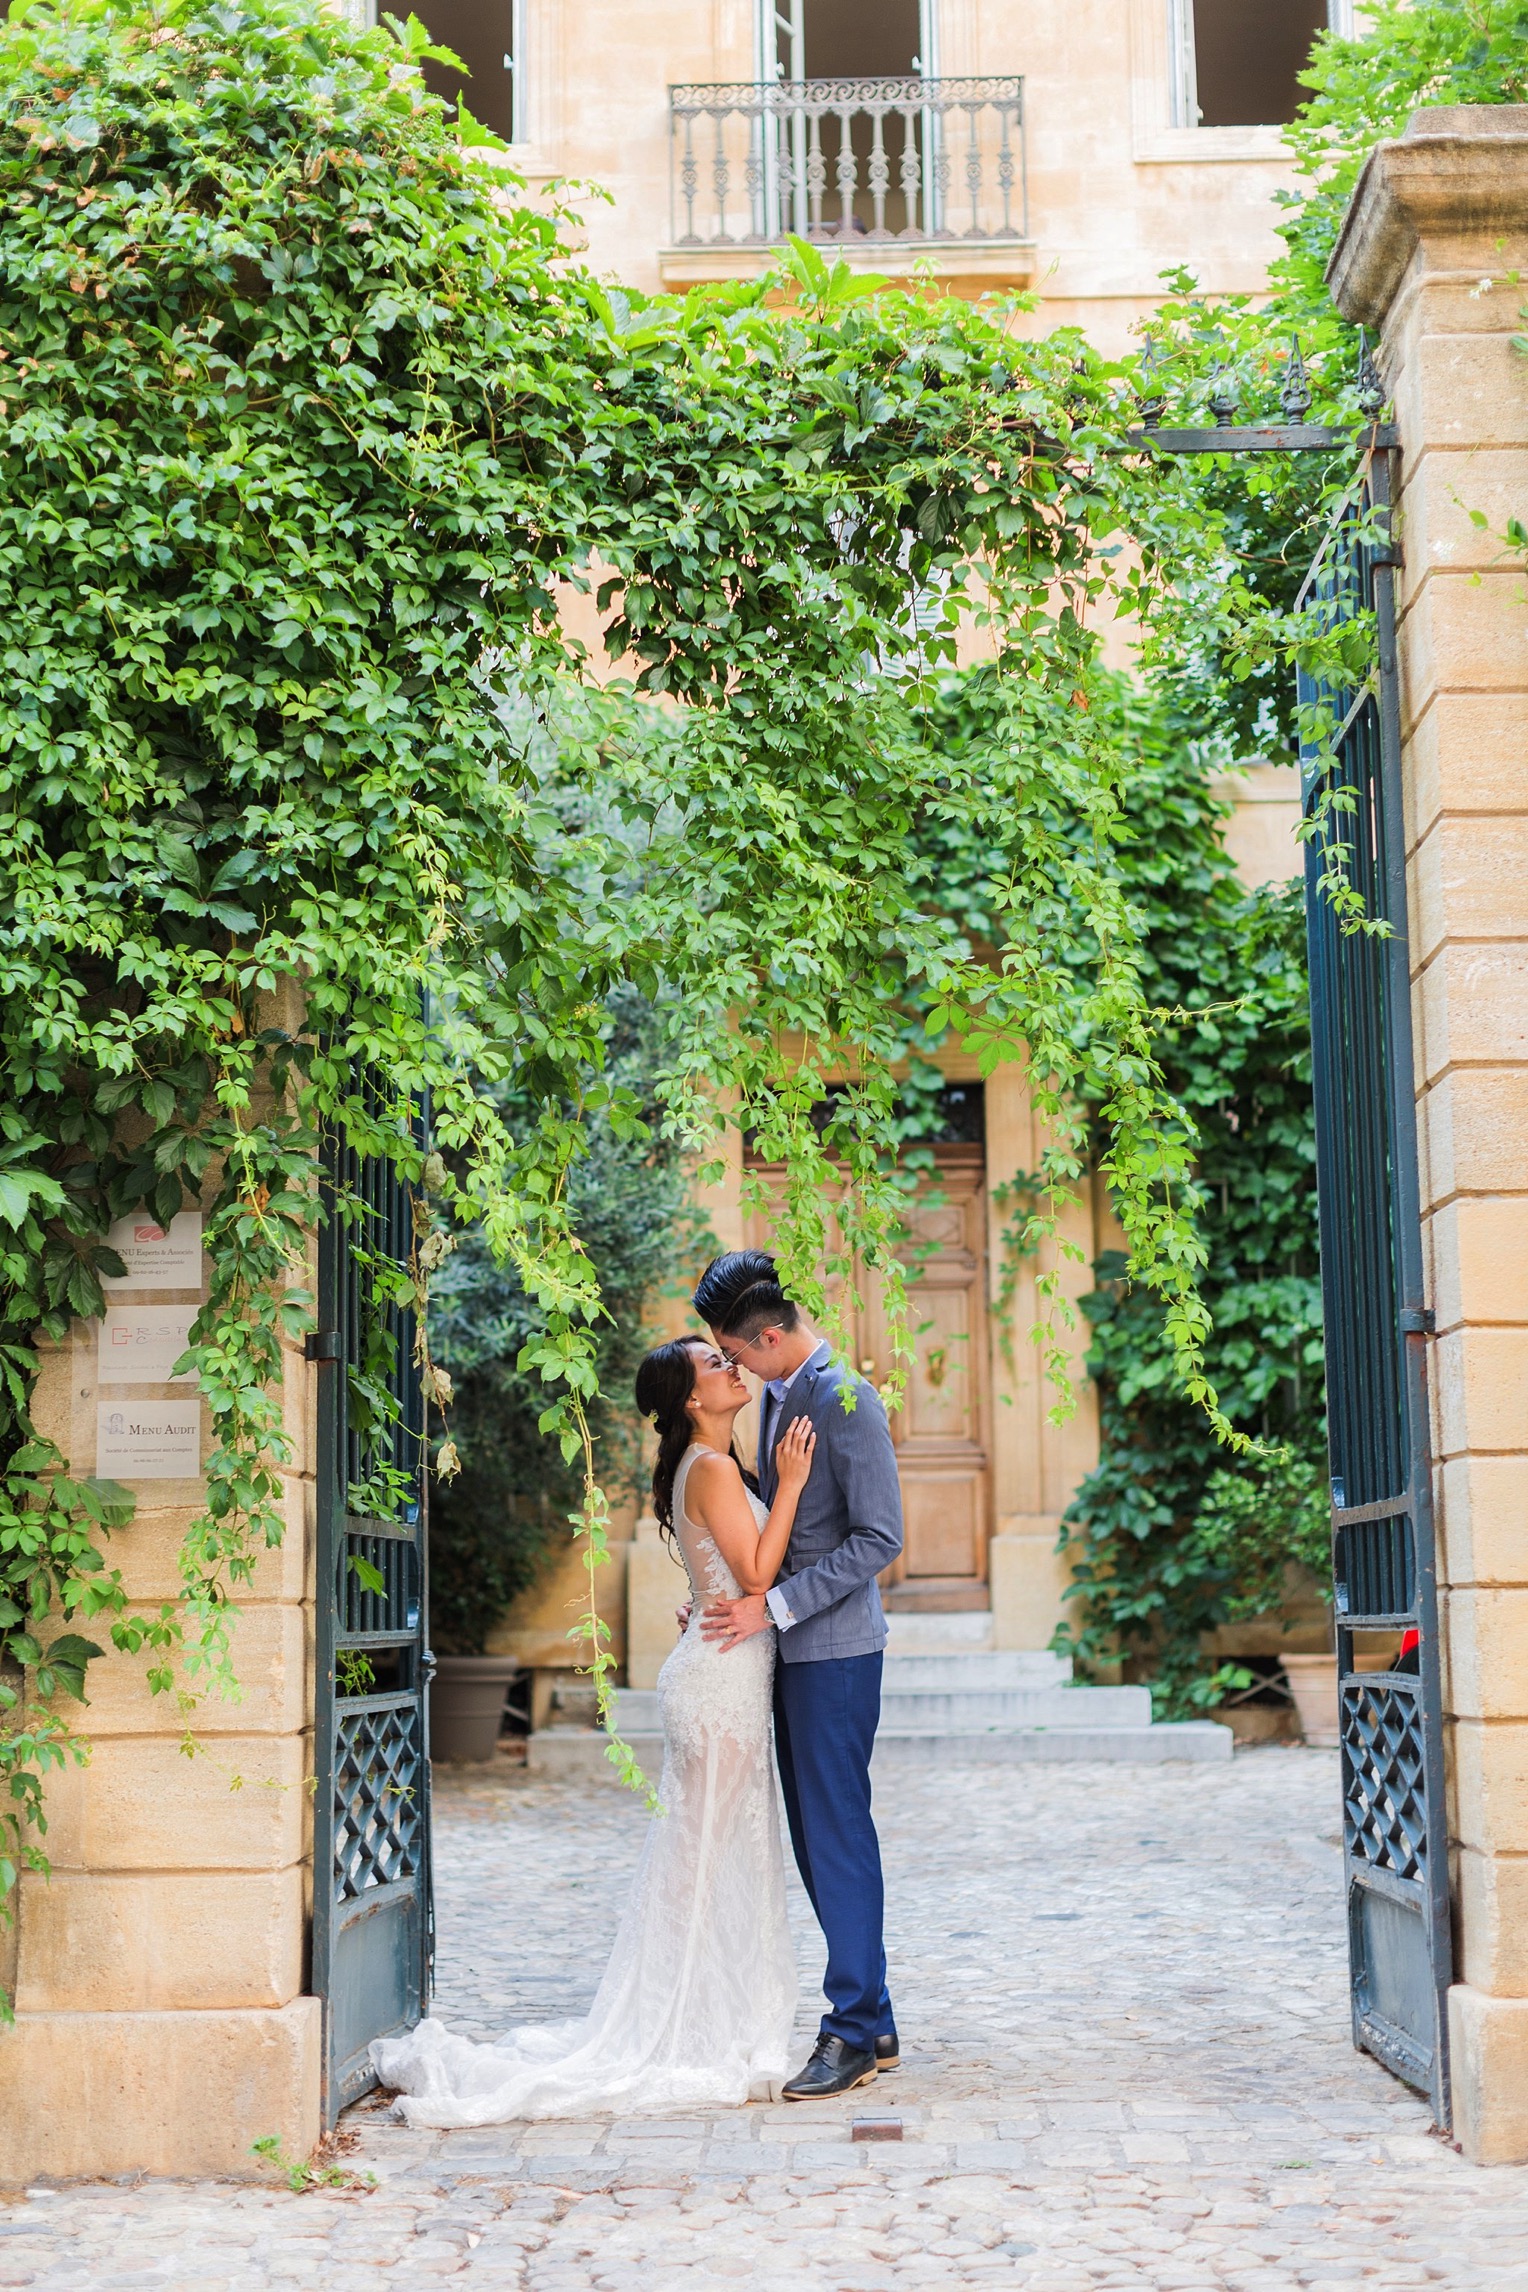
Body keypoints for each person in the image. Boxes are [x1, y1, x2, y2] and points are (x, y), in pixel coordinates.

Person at [371, 1336, 815, 2125]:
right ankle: (679, 2023)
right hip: (720, 1681)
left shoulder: (714, 1465)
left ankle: (708, 2014)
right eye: (714, 1365)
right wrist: (794, 1489)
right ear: (689, 1398)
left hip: (722, 1672)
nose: (730, 1367)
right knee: (707, 1855)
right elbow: (755, 1576)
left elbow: (719, 1574)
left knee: (715, 1851)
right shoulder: (711, 1469)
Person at [692, 1247, 904, 2102]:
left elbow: (879, 1539)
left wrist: (771, 1610)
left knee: (837, 1835)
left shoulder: (845, 1401)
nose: (733, 1369)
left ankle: (851, 2031)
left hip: (838, 1655)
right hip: (794, 1654)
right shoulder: (781, 1395)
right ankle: (876, 2020)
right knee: (821, 1838)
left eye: (736, 1355)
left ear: (771, 1336)